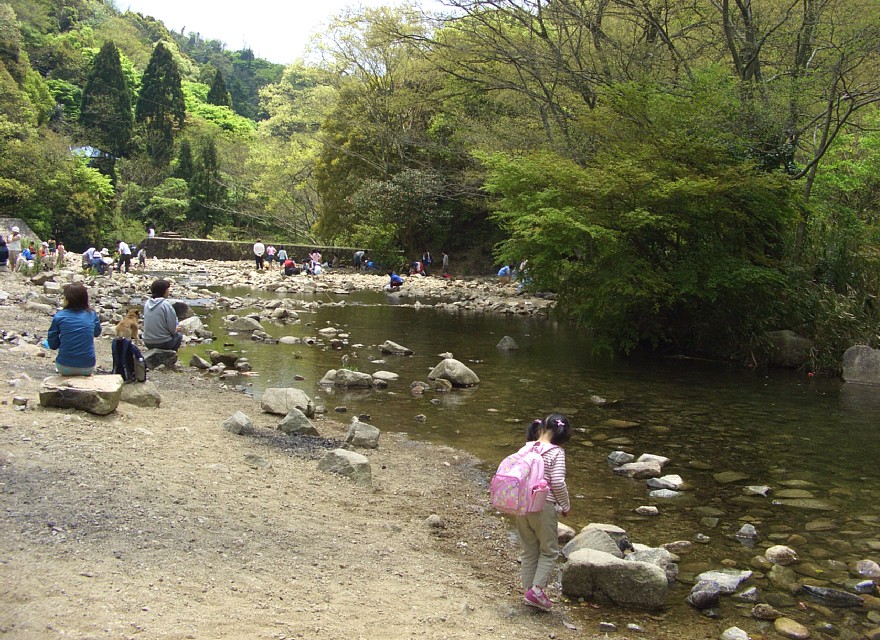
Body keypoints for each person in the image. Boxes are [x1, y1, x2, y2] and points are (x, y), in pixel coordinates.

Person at [517, 413, 571, 612]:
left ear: (541, 428)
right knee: (549, 551)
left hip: (521, 504)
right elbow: (557, 481)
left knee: (529, 549)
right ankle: (537, 591)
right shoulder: (556, 452)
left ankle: (528, 589)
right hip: (542, 504)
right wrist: (565, 505)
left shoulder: (526, 447)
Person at [46, 283, 102, 376]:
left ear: (68, 300)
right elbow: (97, 332)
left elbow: (53, 345)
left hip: (64, 367)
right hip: (87, 367)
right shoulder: (91, 315)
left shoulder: (59, 316)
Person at [143, 279, 182, 351]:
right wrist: (175, 330)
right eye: (167, 290)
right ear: (163, 291)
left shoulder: (147, 303)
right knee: (178, 336)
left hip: (147, 342)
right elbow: (172, 328)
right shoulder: (165, 305)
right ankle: (169, 356)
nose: (168, 292)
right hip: (163, 342)